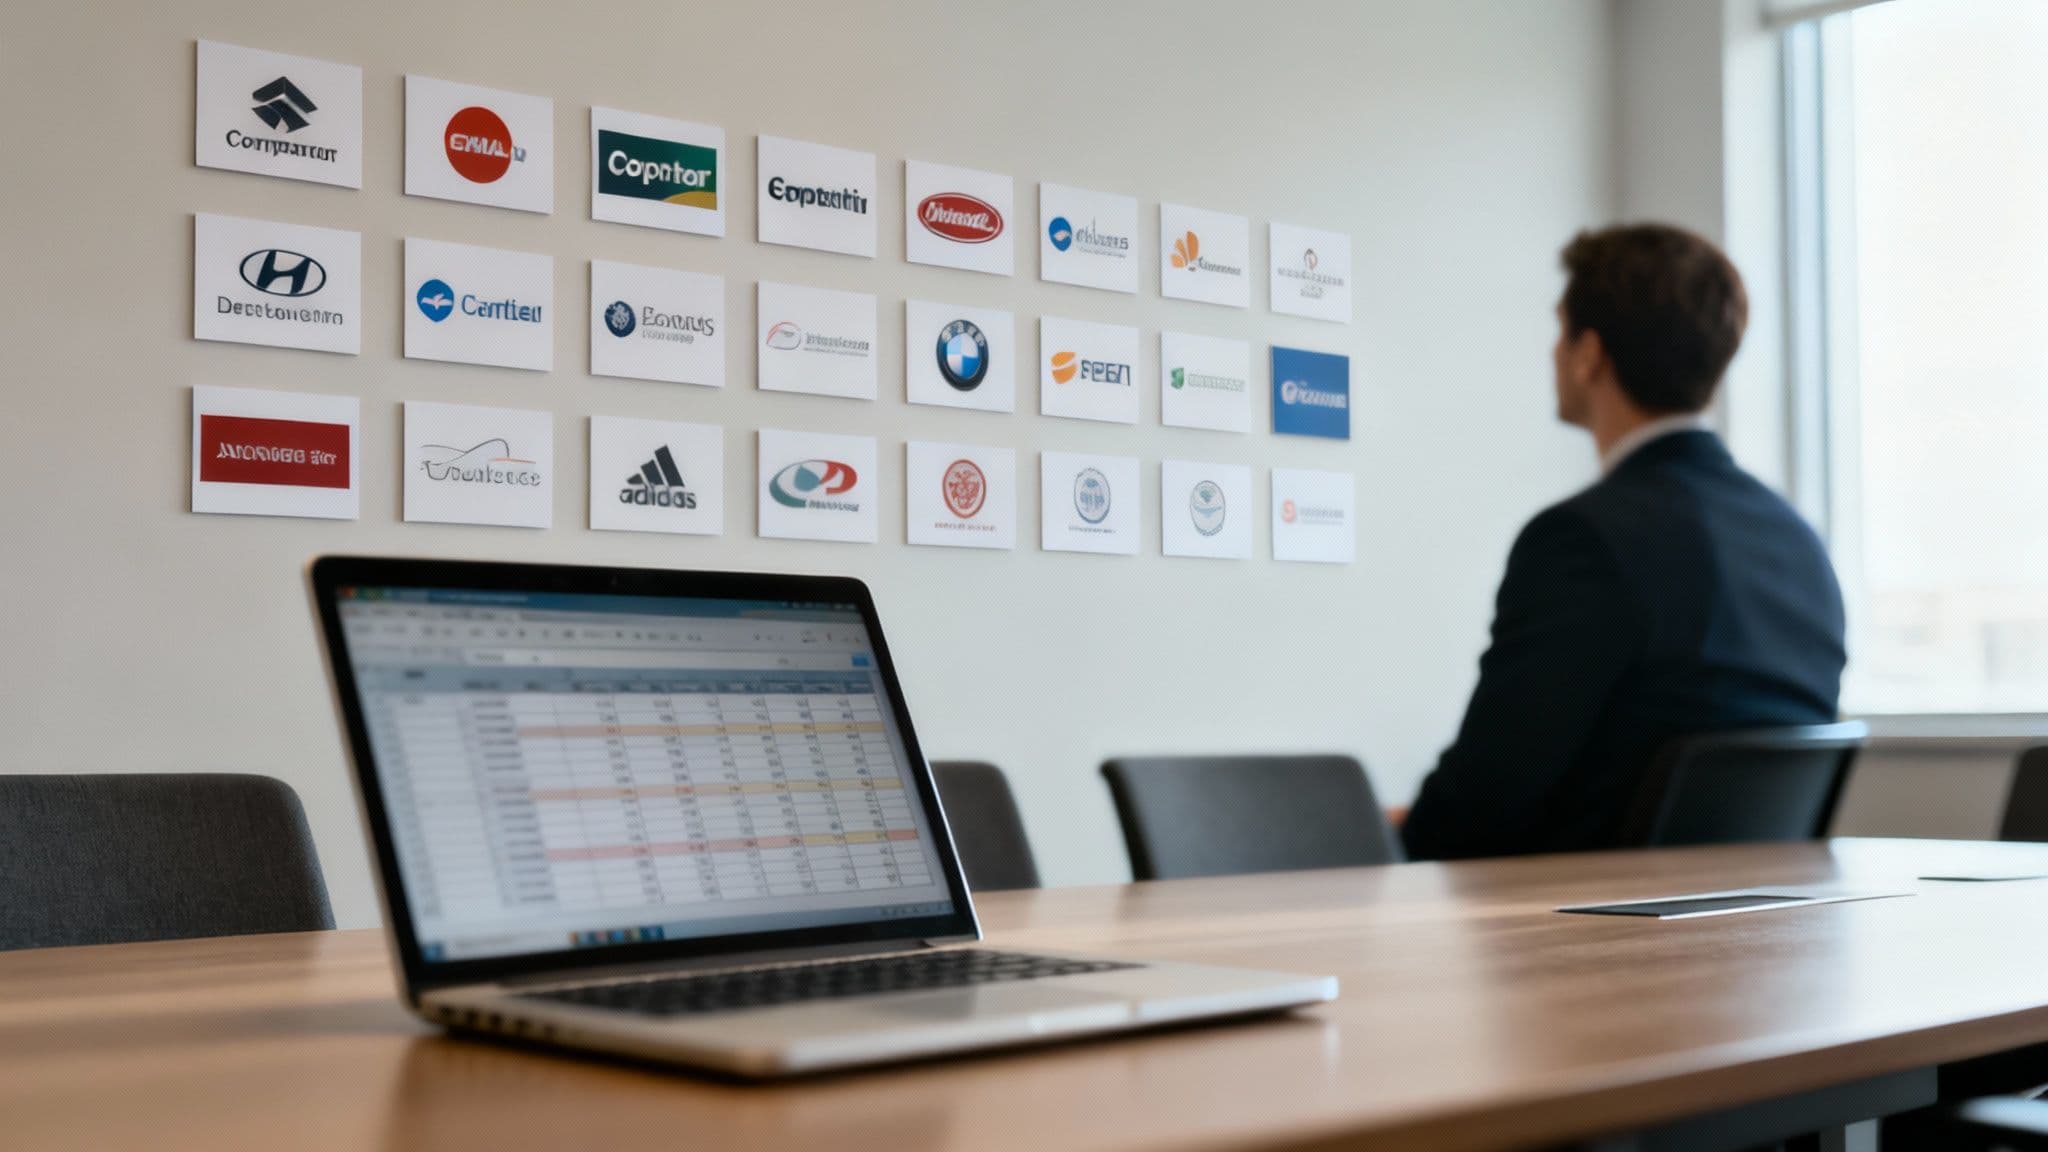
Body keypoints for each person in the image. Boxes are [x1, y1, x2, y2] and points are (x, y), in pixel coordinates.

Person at [1400, 224, 1846, 860]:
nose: (1554, 353)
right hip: (1761, 917)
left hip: (1576, 912)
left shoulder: (1582, 540)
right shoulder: (1798, 543)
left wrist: (1380, 838)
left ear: (1589, 354)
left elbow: (1482, 802)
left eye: (1561, 332)